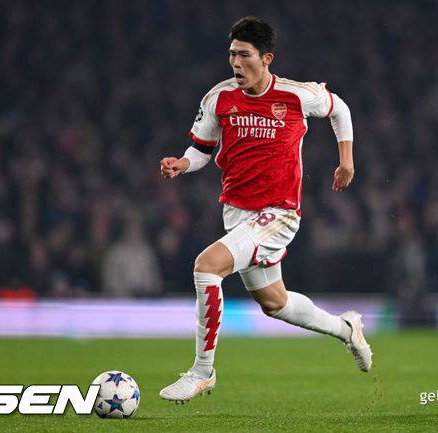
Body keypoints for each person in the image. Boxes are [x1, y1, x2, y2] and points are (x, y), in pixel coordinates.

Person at [158, 16, 372, 403]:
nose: (236, 63)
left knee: (207, 267)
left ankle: (202, 372)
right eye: (232, 55)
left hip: (279, 214)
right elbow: (202, 149)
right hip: (238, 213)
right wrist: (183, 163)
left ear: (266, 58)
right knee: (275, 303)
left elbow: (340, 109)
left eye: (244, 55)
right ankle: (347, 329)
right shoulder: (218, 98)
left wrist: (347, 162)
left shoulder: (296, 95)